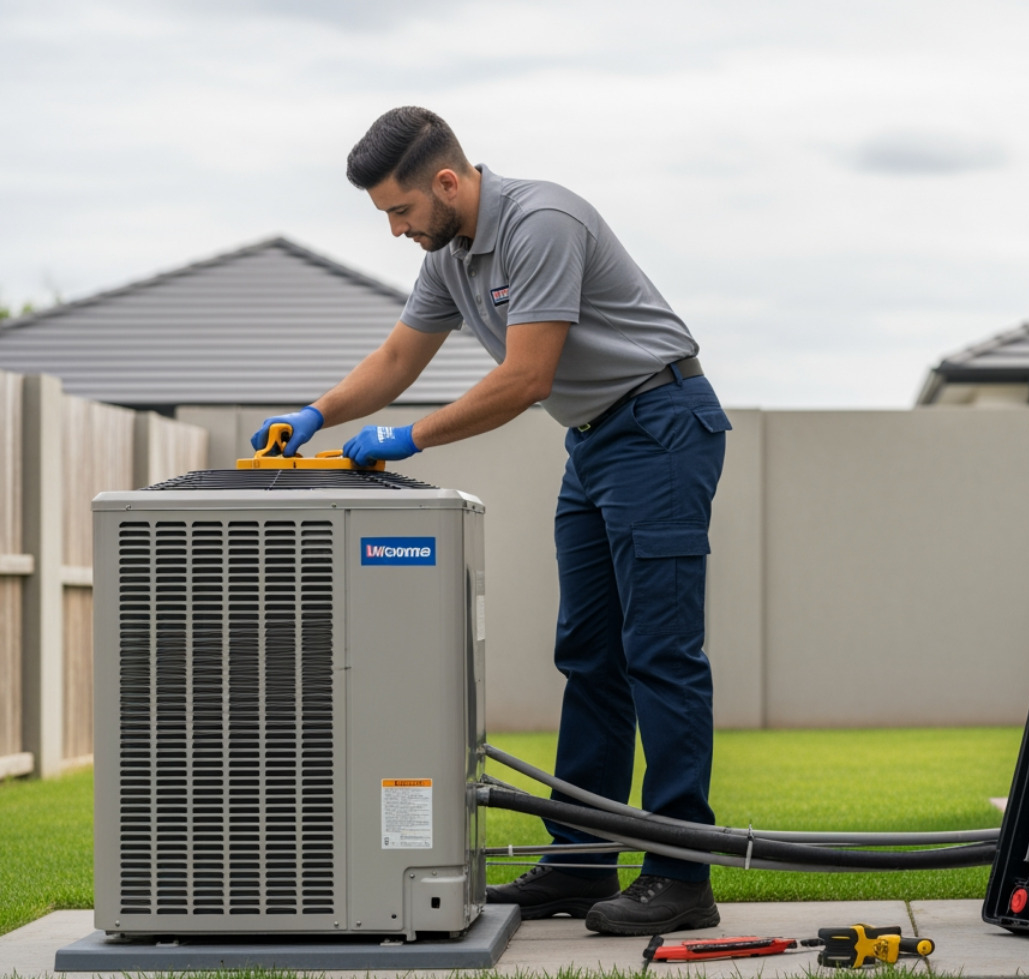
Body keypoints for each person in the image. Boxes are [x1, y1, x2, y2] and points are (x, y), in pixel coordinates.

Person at [250, 107, 728, 936]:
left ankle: (681, 875)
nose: (397, 230)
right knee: (588, 655)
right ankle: (580, 863)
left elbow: (526, 377)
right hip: (596, 444)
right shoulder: (450, 255)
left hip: (660, 427)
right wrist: (314, 413)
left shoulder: (541, 223)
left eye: (400, 212)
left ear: (446, 182)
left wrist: (408, 437)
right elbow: (400, 359)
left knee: (659, 654)